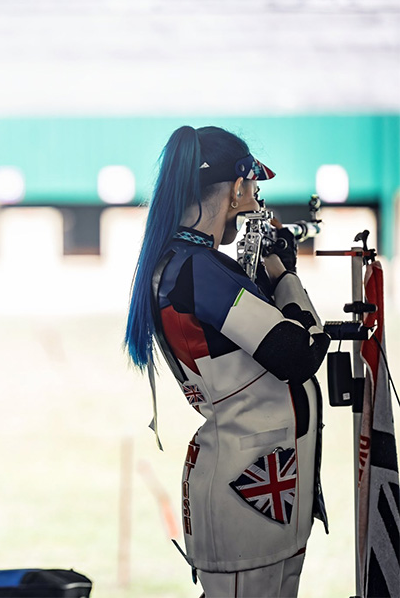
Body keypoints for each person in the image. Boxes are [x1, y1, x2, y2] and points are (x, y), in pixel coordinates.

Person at [124, 126, 330, 597]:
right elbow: (299, 353)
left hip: (255, 486)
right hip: (249, 496)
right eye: (255, 188)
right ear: (237, 187)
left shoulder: (189, 264)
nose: (257, 201)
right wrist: (285, 277)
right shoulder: (198, 269)